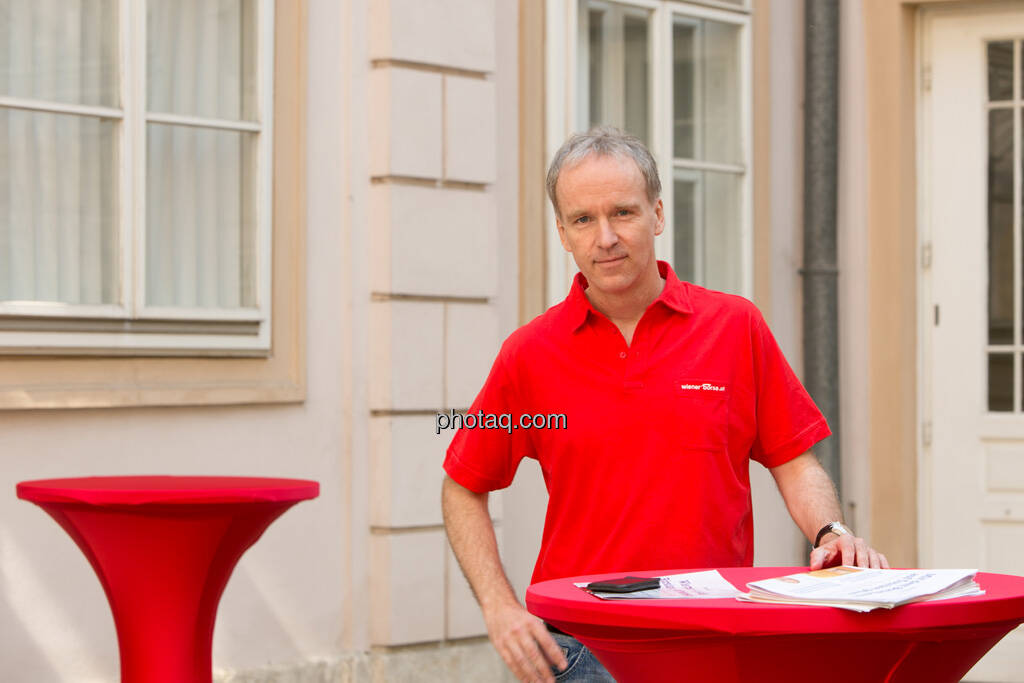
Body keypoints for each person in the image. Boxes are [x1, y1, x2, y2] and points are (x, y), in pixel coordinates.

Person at [441, 126, 887, 683]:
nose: (605, 237)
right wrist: (499, 607)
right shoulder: (529, 355)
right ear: (562, 232)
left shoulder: (734, 328)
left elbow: (793, 458)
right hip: (582, 646)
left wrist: (832, 534)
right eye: (583, 219)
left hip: (713, 637)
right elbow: (463, 484)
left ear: (657, 214)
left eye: (622, 213)